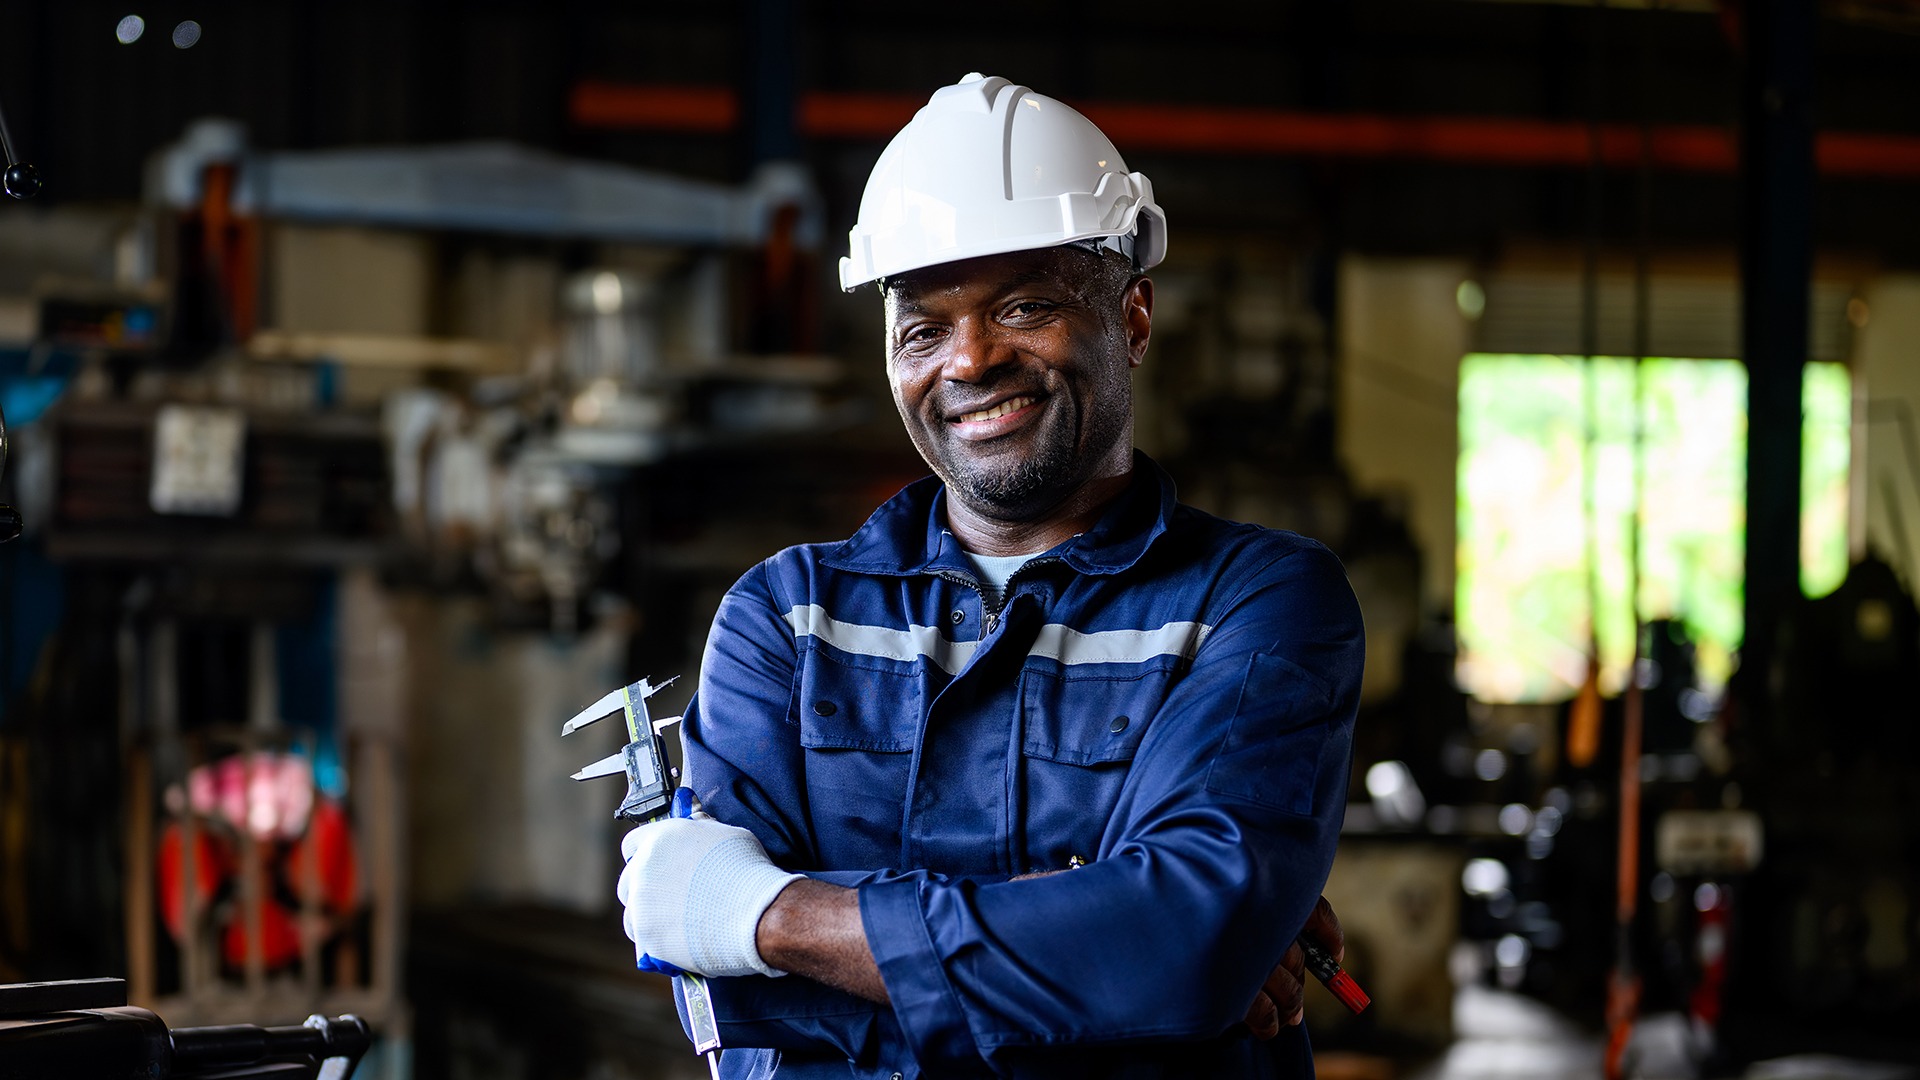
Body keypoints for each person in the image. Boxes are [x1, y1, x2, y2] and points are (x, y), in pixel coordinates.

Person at [617, 73, 1365, 1078]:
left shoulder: (1260, 603)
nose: (969, 359)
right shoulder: (787, 620)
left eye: (1025, 304)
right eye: (923, 328)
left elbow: (1184, 948)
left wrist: (770, 914)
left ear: (1133, 320)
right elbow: (730, 1007)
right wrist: (1107, 962)